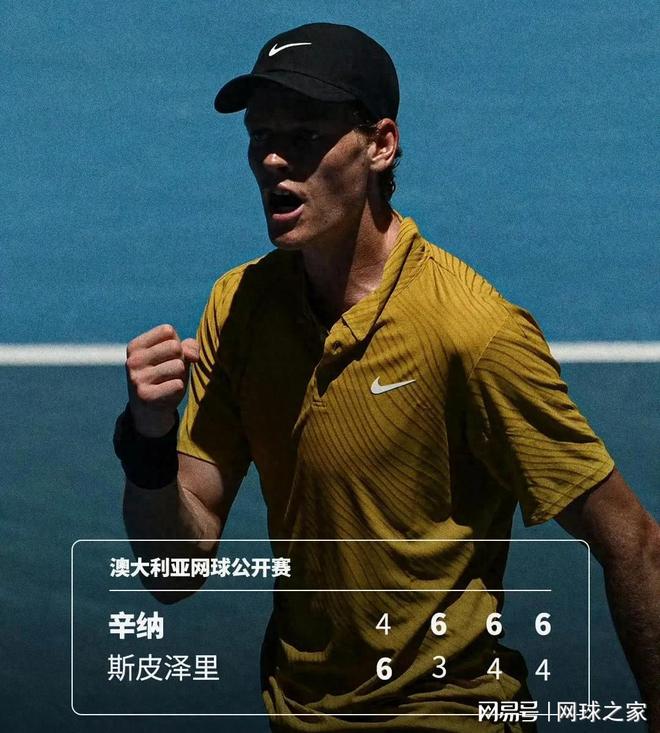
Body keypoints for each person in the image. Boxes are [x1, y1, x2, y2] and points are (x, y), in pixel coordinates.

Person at [114, 22, 659, 732]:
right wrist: (149, 442)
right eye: (260, 136)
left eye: (303, 137)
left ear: (380, 145)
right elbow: (175, 571)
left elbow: (632, 542)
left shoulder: (473, 332)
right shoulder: (240, 307)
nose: (272, 159)